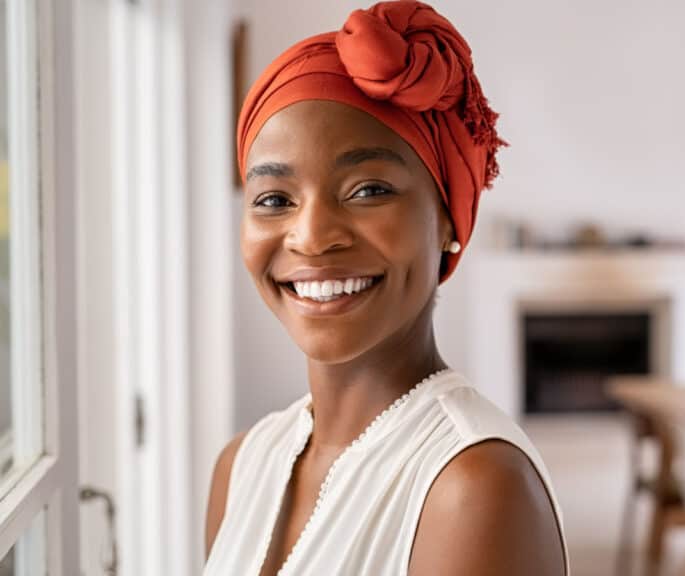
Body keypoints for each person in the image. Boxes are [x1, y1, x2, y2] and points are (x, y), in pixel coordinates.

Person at [203, 2, 568, 575]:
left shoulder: (473, 487)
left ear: (448, 217)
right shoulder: (241, 465)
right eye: (274, 200)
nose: (313, 237)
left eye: (368, 189)